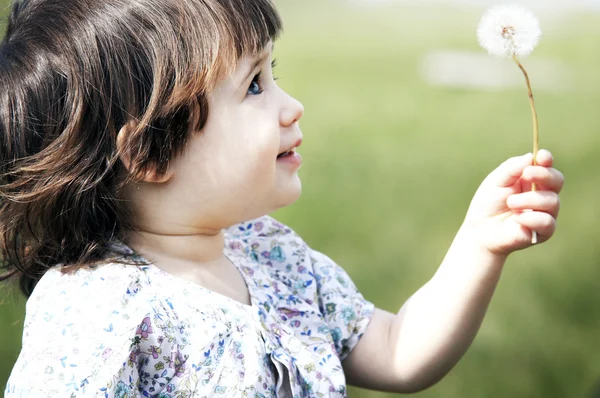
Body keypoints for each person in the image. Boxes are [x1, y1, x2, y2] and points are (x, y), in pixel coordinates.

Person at [0, 0, 564, 396]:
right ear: (149, 153)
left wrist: (479, 246)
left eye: (274, 73)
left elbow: (398, 351)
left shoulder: (270, 254)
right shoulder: (95, 313)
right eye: (253, 85)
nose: (291, 105)